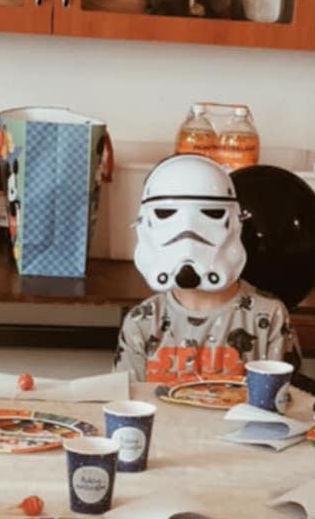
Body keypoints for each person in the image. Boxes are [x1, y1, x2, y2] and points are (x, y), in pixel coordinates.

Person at [118, 153, 299, 389]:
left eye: (210, 214)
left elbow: (285, 398)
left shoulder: (269, 315)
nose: (188, 236)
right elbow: (128, 401)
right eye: (166, 214)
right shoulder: (142, 321)